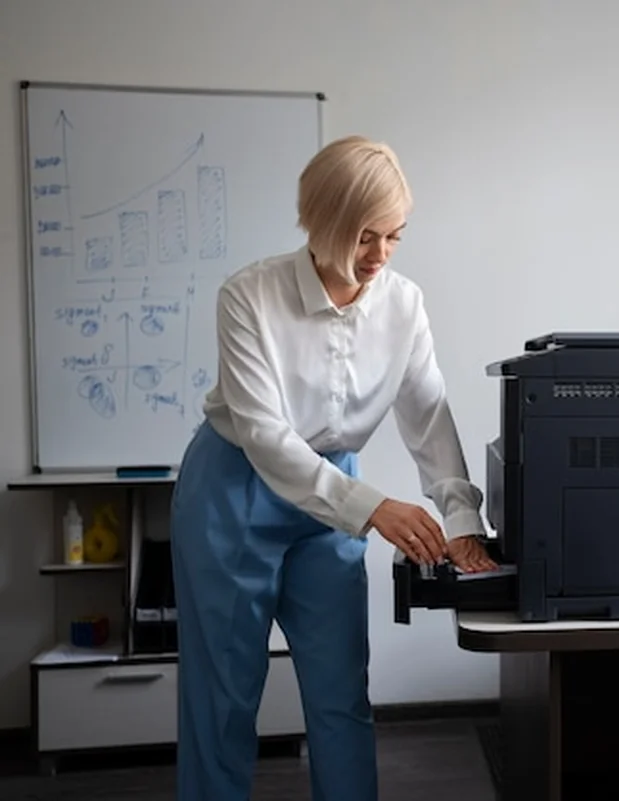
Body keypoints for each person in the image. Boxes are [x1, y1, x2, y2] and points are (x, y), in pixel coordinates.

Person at [169, 134, 497, 801]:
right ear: (319, 223)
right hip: (234, 489)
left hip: (332, 499)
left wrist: (461, 517)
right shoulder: (248, 297)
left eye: (395, 237)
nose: (378, 256)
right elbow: (263, 434)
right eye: (363, 236)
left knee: (342, 694)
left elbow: (428, 416)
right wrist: (376, 507)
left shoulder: (403, 305)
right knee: (223, 702)